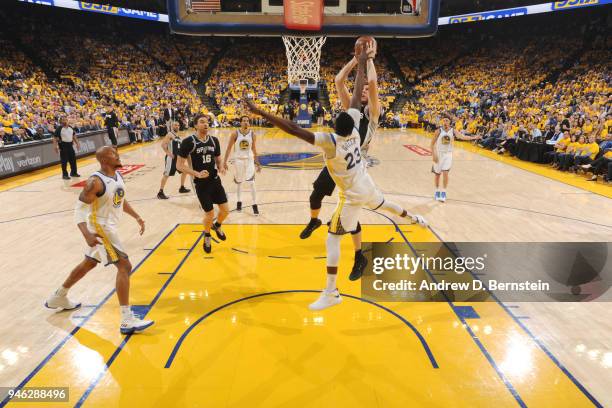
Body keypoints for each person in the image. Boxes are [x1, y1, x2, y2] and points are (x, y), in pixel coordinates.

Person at [246, 44, 427, 310]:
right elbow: (353, 91)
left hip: (351, 190)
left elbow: (294, 128)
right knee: (384, 203)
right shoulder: (353, 126)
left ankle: (332, 292)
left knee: (333, 237)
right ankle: (414, 217)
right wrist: (361, 60)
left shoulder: (335, 139)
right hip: (364, 180)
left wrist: (261, 112)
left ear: (336, 124)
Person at [45, 146, 153, 335]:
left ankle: (59, 296)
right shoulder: (95, 182)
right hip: (100, 228)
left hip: (108, 225)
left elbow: (119, 200)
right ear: (103, 160)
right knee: (124, 267)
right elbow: (79, 209)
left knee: (89, 264)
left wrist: (137, 217)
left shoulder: (117, 176)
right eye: (113, 154)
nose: (117, 154)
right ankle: (127, 320)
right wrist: (86, 233)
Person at [298, 40, 382, 281]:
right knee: (315, 194)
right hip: (338, 160)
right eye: (362, 90)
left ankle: (358, 256)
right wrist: (356, 60)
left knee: (349, 215)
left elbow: (373, 83)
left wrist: (370, 59)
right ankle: (314, 221)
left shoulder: (373, 113)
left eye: (366, 91)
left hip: (356, 168)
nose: (364, 91)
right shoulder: (351, 109)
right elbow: (337, 81)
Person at [176, 114, 229, 254]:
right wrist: (196, 173)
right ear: (195, 125)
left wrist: (221, 167)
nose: (206, 124)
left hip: (215, 180)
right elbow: (179, 165)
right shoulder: (188, 142)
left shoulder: (214, 140)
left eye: (207, 122)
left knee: (225, 211)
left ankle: (217, 226)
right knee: (210, 213)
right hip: (200, 183)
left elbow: (218, 159)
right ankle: (207, 235)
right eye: (202, 122)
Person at [431, 115, 481, 202]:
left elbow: (462, 137)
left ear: (450, 122)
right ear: (442, 122)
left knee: (445, 173)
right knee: (437, 174)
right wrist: (434, 154)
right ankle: (436, 191)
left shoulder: (453, 131)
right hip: (439, 154)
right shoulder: (438, 131)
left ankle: (443, 192)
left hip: (448, 154)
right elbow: (432, 144)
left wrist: (474, 137)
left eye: (447, 120)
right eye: (444, 120)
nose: (445, 122)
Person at [222, 115, 261, 214]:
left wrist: (257, 163)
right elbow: (229, 148)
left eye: (247, 121)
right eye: (244, 121)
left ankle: (254, 204)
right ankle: (239, 202)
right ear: (240, 123)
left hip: (249, 160)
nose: (246, 122)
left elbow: (254, 149)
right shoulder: (235, 134)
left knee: (252, 183)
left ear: (249, 123)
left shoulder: (253, 134)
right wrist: (224, 162)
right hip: (238, 160)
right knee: (239, 182)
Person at [158, 122, 191, 199]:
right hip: (171, 159)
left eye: (178, 125)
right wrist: (169, 153)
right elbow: (163, 145)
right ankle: (160, 192)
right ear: (172, 126)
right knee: (166, 174)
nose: (177, 126)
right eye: (175, 125)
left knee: (185, 171)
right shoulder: (169, 134)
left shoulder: (177, 136)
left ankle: (182, 188)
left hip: (178, 159)